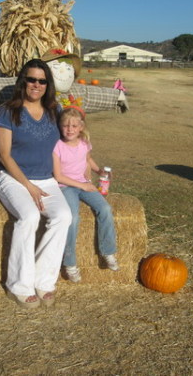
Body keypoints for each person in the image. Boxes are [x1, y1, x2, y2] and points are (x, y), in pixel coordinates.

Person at [0, 58, 72, 309]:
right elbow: (4, 155)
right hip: (14, 179)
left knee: (63, 216)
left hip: (46, 179)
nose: (36, 85)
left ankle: (43, 280)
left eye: (42, 80)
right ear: (23, 81)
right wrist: (28, 187)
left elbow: (66, 144)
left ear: (47, 84)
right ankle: (18, 285)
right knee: (29, 217)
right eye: (32, 79)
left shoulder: (54, 111)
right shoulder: (9, 111)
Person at [53, 106, 119, 283]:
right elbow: (58, 176)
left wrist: (100, 171)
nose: (70, 129)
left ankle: (108, 252)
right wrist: (82, 185)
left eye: (74, 126)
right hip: (65, 186)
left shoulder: (84, 143)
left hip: (84, 184)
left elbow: (87, 159)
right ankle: (70, 263)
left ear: (81, 127)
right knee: (72, 218)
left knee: (105, 208)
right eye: (66, 125)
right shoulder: (57, 146)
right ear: (60, 126)